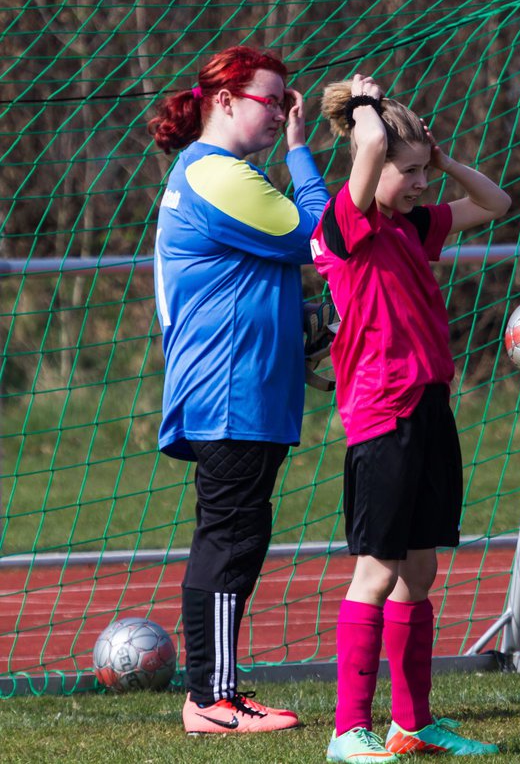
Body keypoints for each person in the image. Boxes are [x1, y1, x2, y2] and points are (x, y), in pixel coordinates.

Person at [310, 75, 510, 762]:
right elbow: (366, 140)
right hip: (381, 414)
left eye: (426, 170)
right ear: (371, 170)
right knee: (376, 569)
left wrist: (442, 158)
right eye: (410, 171)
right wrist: (365, 101)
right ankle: (347, 732)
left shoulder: (413, 227)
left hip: (429, 408)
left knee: (418, 571)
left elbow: (496, 201)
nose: (422, 183)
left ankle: (412, 724)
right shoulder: (348, 224)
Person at [149, 45, 329, 734]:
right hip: (230, 391)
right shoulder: (218, 173)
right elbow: (319, 236)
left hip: (242, 386)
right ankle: (210, 699)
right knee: (229, 540)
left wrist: (299, 327)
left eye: (288, 102)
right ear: (225, 101)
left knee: (234, 536)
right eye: (274, 99)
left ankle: (214, 693)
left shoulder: (218, 175)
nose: (284, 111)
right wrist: (302, 151)